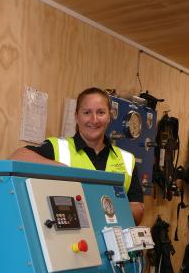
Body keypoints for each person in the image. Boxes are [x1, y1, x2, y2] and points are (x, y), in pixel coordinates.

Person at [10, 87, 144, 225]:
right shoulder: (58, 148)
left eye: (101, 112)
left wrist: (103, 206)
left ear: (109, 116)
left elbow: (138, 212)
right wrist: (62, 169)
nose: (94, 119)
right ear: (76, 116)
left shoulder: (127, 159)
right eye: (87, 112)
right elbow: (17, 157)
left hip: (115, 242)